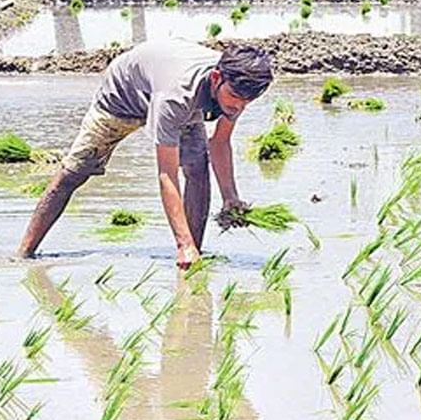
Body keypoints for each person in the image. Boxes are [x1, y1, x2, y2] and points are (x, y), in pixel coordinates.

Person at [16, 39, 274, 269]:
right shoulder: (177, 97)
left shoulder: (238, 88)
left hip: (169, 87)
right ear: (216, 78)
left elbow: (219, 142)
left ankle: (193, 255)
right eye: (236, 97)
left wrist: (230, 197)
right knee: (74, 172)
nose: (239, 106)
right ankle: (23, 253)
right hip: (123, 97)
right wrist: (181, 242)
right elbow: (167, 174)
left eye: (247, 101)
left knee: (197, 166)